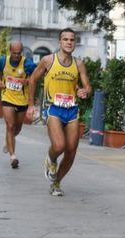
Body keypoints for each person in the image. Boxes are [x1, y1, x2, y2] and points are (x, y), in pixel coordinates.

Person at [27, 28, 92, 196]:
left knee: (71, 151)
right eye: (65, 39)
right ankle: (51, 159)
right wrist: (30, 105)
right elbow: (33, 79)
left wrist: (86, 92)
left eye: (72, 40)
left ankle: (56, 183)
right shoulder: (48, 60)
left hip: (72, 110)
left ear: (75, 43)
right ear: (59, 42)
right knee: (59, 145)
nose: (69, 42)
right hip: (53, 108)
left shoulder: (78, 64)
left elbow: (88, 86)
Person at [0, 41, 37, 168]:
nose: (16, 56)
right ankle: (13, 157)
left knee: (17, 128)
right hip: (7, 97)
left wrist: (28, 81)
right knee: (10, 125)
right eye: (14, 53)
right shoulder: (3, 60)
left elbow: (36, 78)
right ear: (10, 51)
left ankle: (8, 139)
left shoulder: (28, 64)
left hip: (21, 100)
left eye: (19, 53)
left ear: (21, 52)